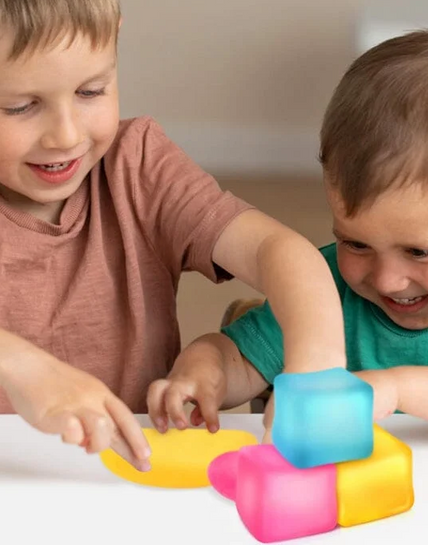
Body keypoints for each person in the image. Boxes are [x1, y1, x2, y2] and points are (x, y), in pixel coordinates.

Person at [0, 0, 345, 468]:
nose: (66, 135)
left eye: (92, 90)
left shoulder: (139, 166)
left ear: (115, 43)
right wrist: (20, 367)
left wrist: (316, 369)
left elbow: (282, 252)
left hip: (135, 479)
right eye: (22, 106)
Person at [148, 30, 428, 436]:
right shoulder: (324, 289)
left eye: (419, 252)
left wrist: (393, 390)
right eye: (357, 243)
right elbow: (242, 360)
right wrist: (204, 368)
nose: (386, 279)